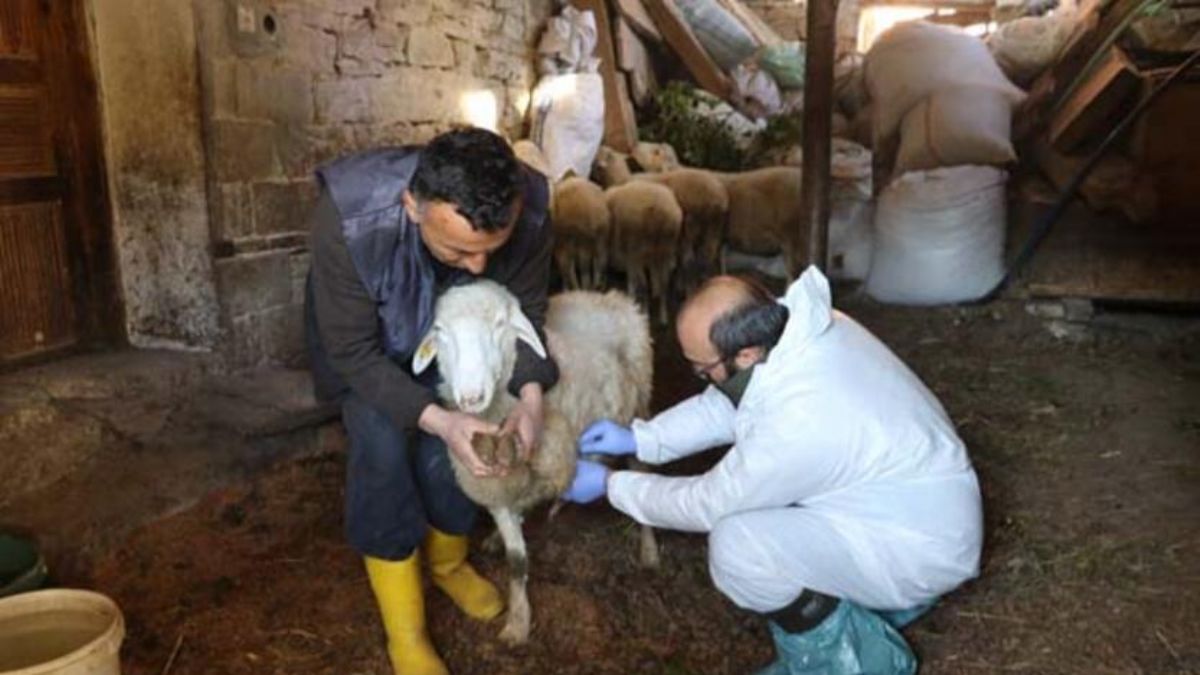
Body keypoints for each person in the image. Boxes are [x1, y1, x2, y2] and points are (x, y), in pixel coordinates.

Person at [563, 267, 983, 674]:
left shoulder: (800, 419)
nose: (700, 377)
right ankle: (863, 605)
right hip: (909, 504)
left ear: (745, 353)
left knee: (739, 548)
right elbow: (733, 401)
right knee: (761, 513)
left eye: (702, 368)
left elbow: (707, 503)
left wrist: (610, 485)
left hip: (917, 548)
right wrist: (642, 439)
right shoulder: (798, 334)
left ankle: (848, 661)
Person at [305, 128, 557, 675]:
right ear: (412, 206)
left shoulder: (530, 207)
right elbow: (351, 350)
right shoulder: (348, 221)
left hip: (462, 347)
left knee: (465, 443)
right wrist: (437, 419)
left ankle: (448, 564)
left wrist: (530, 396)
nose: (478, 268)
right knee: (381, 449)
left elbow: (529, 310)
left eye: (492, 249)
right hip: (372, 345)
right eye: (459, 250)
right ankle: (407, 631)